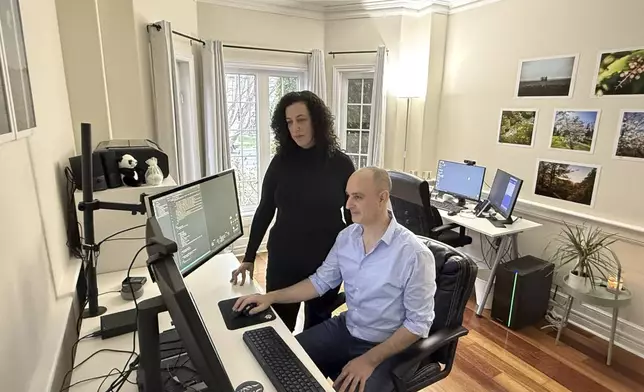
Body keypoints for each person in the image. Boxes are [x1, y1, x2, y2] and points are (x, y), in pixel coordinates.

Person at [234, 167, 437, 392]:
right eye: (348, 196)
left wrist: (369, 360)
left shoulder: (414, 254)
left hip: (389, 346)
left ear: (382, 198)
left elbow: (418, 324)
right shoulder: (347, 237)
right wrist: (271, 297)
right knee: (281, 359)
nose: (348, 204)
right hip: (348, 328)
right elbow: (319, 282)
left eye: (357, 197)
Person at [230, 90, 355, 331]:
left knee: (317, 328)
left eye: (301, 120)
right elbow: (265, 208)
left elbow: (352, 218)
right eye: (289, 122)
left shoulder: (341, 164)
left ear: (316, 120)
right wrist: (248, 257)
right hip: (284, 260)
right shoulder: (281, 162)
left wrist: (358, 259)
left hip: (326, 260)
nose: (295, 128)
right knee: (278, 326)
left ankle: (312, 370)